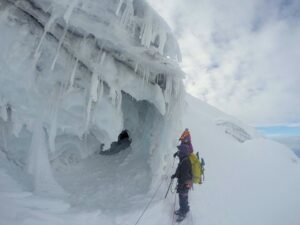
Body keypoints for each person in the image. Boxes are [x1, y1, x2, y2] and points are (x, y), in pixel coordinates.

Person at [171, 144, 193, 222]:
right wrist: (175, 175)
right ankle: (183, 209)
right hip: (184, 183)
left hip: (185, 183)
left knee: (183, 198)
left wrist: (180, 185)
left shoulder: (185, 162)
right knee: (182, 197)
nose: (179, 152)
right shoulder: (183, 159)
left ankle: (183, 212)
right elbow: (179, 170)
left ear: (183, 152)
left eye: (180, 151)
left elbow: (184, 176)